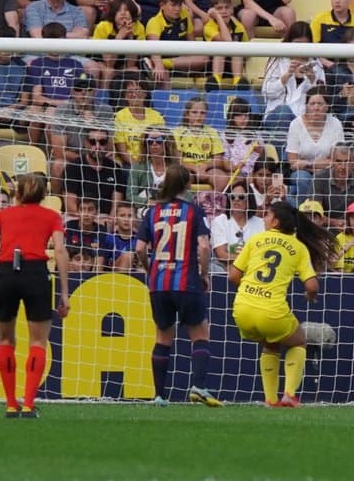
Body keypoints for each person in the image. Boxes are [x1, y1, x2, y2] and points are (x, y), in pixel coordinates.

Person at [0, 173, 70, 417]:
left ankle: (11, 404)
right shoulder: (52, 216)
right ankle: (29, 404)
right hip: (35, 274)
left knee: (5, 341)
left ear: (17, 193)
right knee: (37, 342)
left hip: (5, 275)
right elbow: (60, 250)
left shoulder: (3, 215)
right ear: (44, 194)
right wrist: (64, 292)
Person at [230, 199, 337, 408]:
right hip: (272, 311)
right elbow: (313, 285)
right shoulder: (298, 247)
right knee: (298, 342)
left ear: (276, 222)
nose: (264, 218)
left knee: (271, 344)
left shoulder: (255, 240)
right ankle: (289, 395)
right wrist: (310, 295)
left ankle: (270, 400)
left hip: (242, 309)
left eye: (267, 215)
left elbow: (233, 275)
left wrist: (250, 290)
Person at [134, 163, 221, 407]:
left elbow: (140, 248)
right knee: (200, 333)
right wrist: (204, 273)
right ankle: (199, 387)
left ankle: (159, 396)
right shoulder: (192, 210)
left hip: (159, 283)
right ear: (187, 185)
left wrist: (148, 268)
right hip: (186, 280)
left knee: (163, 337)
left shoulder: (152, 212)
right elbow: (203, 246)